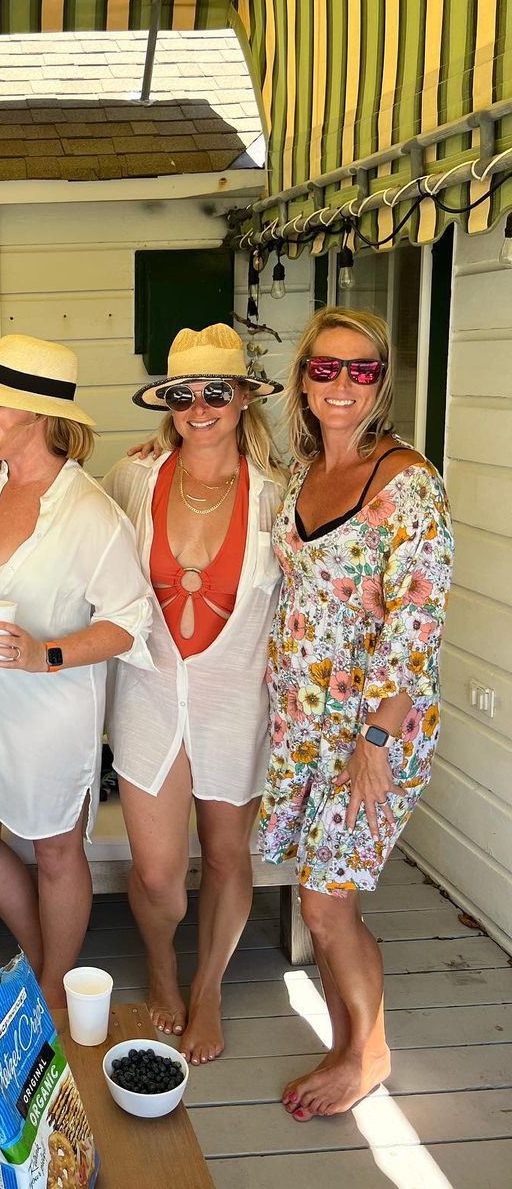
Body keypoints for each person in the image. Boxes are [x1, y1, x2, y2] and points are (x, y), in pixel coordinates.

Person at [258, 305, 453, 1119]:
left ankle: (367, 1055)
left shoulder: (408, 482)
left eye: (362, 369)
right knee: (328, 894)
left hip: (367, 731)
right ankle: (347, 1040)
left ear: (382, 383)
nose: (342, 384)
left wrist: (375, 739)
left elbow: (418, 620)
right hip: (304, 724)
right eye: (326, 367)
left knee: (325, 902)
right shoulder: (305, 472)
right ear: (304, 379)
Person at [0, 334, 153, 1007]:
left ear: (37, 414)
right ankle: (41, 957)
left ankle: (51, 984)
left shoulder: (90, 515)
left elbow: (129, 621)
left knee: (55, 852)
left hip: (49, 715)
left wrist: (44, 654)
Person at [103, 324, 285, 1064]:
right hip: (148, 693)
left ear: (243, 399)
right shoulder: (133, 478)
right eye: (183, 395)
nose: (199, 407)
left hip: (236, 698)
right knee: (157, 874)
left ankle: (208, 987)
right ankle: (160, 966)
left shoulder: (279, 493)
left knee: (227, 853)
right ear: (168, 405)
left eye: (216, 391)